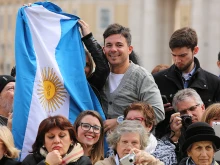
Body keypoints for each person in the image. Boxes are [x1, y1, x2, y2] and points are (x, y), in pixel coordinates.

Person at [99, 23, 164, 132]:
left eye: (119, 45)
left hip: (133, 146)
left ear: (129, 49)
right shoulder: (99, 75)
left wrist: (121, 121)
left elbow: (158, 113)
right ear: (103, 49)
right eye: (109, 45)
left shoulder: (141, 76)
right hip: (102, 146)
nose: (113, 49)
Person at [153, 27, 220, 108]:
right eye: (174, 55)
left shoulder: (214, 83)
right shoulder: (157, 80)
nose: (177, 60)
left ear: (195, 50)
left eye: (182, 55)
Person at [22, 115, 92, 165]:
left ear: (71, 139)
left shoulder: (83, 162)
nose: (57, 140)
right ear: (43, 141)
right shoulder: (30, 160)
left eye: (62, 136)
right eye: (51, 137)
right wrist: (47, 163)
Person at [160, 88, 206, 162]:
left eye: (192, 108)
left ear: (202, 107)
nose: (189, 115)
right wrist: (174, 138)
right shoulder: (175, 134)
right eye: (183, 112)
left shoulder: (215, 126)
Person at [95, 120, 164, 165]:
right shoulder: (103, 164)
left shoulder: (147, 163)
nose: (129, 147)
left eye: (134, 142)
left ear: (141, 145)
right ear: (116, 144)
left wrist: (153, 161)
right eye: (124, 142)